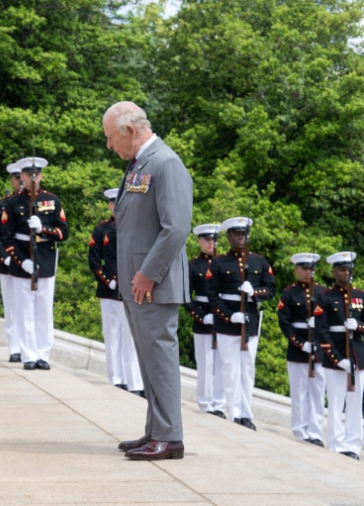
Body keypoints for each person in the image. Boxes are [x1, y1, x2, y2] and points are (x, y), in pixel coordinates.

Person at [102, 101, 192, 461]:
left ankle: (170, 437)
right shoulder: (140, 164)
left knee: (161, 357)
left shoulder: (165, 162)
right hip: (139, 283)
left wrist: (147, 274)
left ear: (129, 131)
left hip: (154, 282)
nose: (109, 146)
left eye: (111, 138)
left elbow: (176, 229)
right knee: (148, 359)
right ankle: (156, 430)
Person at [207, 217, 276, 431]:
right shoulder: (218, 262)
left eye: (243, 234)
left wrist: (255, 293)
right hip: (228, 323)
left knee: (247, 369)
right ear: (228, 237)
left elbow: (271, 289)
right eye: (236, 234)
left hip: (250, 323)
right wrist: (229, 316)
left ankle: (246, 413)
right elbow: (212, 295)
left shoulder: (259, 262)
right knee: (230, 369)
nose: (240, 237)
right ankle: (234, 412)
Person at [2, 157, 68, 371]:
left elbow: (62, 232)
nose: (33, 178)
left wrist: (43, 230)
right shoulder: (12, 203)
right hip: (24, 262)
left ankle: (43, 354)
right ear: (21, 176)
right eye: (28, 174)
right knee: (24, 311)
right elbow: (6, 237)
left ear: (41, 175)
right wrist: (22, 262)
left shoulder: (52, 200)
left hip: (46, 260)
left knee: (44, 311)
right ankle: (28, 354)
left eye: (36, 174)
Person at [88, 188, 143, 394]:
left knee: (131, 336)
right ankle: (116, 378)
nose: (116, 206)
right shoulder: (101, 230)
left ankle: (134, 382)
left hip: (129, 288)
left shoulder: (134, 228)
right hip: (109, 290)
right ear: (110, 205)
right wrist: (107, 280)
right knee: (112, 335)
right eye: (113, 202)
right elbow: (94, 261)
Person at [314, 251, 363, 459]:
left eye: (348, 269)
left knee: (355, 403)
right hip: (336, 358)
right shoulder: (325, 297)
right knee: (335, 402)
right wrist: (337, 359)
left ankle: (353, 444)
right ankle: (336, 443)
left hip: (358, 357)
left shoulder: (360, 295)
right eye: (342, 269)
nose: (346, 273)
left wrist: (359, 325)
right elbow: (321, 332)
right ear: (334, 271)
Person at [278, 253, 326, 447]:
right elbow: (285, 323)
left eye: (311, 269)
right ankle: (300, 429)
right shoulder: (289, 293)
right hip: (298, 351)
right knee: (299, 391)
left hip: (319, 351)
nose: (308, 272)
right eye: (304, 268)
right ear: (296, 269)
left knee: (317, 392)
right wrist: (300, 343)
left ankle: (315, 431)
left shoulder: (323, 293)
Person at [183, 224, 226, 418]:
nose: (211, 243)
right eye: (207, 239)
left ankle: (219, 404)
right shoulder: (193, 266)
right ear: (199, 241)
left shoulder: (225, 264)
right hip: (204, 319)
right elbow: (186, 297)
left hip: (224, 319)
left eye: (214, 240)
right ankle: (206, 402)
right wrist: (201, 316)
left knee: (222, 364)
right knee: (206, 363)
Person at [0, 163, 23, 363]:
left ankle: (29, 347)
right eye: (16, 177)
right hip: (9, 264)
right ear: (12, 180)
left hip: (28, 264)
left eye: (23, 177)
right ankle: (15, 347)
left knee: (29, 307)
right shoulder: (1, 205)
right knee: (12, 307)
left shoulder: (34, 203)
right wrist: (7, 258)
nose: (20, 181)